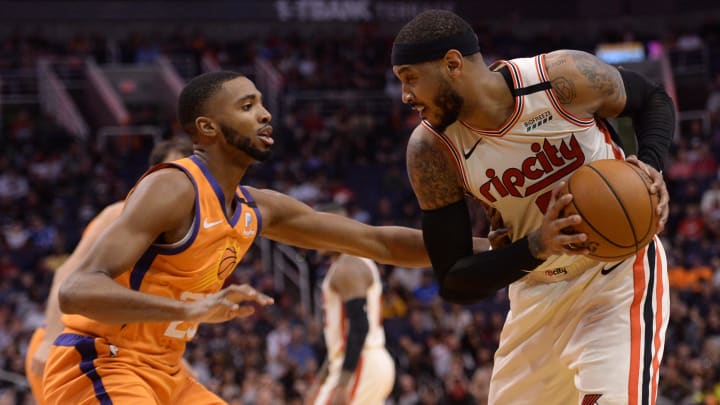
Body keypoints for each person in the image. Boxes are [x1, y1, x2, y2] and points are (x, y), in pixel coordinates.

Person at [42, 71, 490, 405]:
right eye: (246, 105)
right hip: (103, 362)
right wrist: (188, 308)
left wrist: (493, 248)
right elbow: (77, 290)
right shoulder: (173, 187)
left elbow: (379, 243)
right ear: (208, 128)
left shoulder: (257, 207)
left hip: (165, 371)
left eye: (261, 103)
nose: (265, 113)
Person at [391, 10, 674, 405]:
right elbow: (454, 279)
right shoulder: (431, 150)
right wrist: (537, 245)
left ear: (452, 64)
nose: (406, 96)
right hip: (536, 289)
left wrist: (650, 165)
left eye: (410, 78)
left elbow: (653, 99)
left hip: (616, 272)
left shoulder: (561, 79)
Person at [24, 139, 194, 404]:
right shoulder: (120, 214)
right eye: (171, 170)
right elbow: (67, 274)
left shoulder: (187, 235)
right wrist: (50, 339)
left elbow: (151, 312)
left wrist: (176, 360)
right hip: (73, 347)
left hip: (133, 357)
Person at [307, 204, 395, 405]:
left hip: (361, 363)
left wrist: (343, 383)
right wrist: (321, 381)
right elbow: (343, 338)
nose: (312, 236)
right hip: (359, 362)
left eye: (317, 229)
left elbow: (359, 326)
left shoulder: (348, 265)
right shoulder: (347, 264)